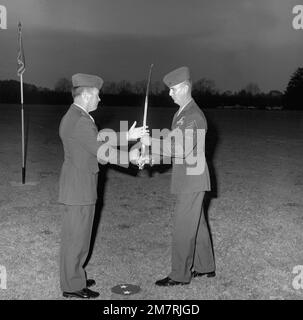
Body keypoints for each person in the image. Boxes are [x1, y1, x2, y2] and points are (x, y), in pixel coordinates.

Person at [58, 73, 144, 299]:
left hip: (77, 184)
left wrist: (128, 135)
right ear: (86, 95)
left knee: (77, 236)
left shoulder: (77, 116)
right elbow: (101, 150)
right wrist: (131, 159)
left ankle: (74, 275)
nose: (99, 99)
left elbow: (97, 140)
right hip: (80, 187)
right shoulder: (80, 120)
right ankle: (73, 286)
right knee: (77, 238)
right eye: (97, 94)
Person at [141, 66, 215, 286]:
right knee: (196, 223)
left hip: (192, 180)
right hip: (189, 177)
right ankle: (205, 266)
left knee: (183, 227)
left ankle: (179, 275)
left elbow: (181, 148)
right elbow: (172, 147)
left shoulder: (192, 116)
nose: (169, 93)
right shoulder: (181, 114)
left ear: (184, 88)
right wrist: (152, 158)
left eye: (172, 89)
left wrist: (150, 142)